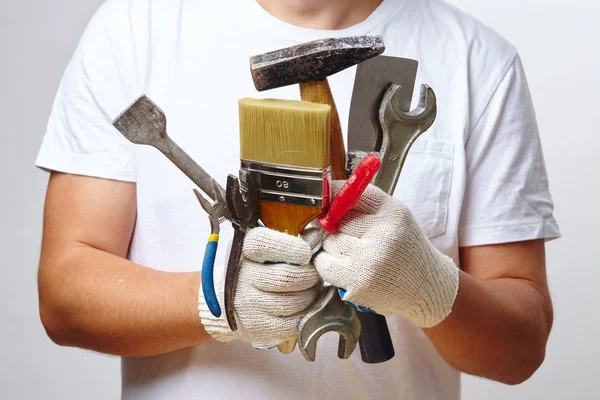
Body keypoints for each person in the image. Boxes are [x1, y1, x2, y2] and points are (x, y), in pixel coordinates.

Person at [34, 0, 561, 399]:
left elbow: (521, 348)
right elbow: (65, 299)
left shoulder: (479, 61)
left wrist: (430, 288)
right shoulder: (133, 28)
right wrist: (220, 302)